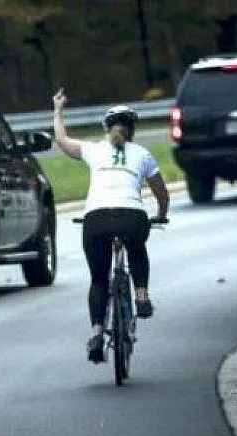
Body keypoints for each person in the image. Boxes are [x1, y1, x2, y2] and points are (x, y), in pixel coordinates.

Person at [51, 87, 170, 363]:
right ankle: (141, 296)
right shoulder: (142, 154)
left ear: (107, 128)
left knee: (98, 279)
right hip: (132, 217)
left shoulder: (93, 150)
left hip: (96, 219)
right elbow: (161, 193)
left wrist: (58, 110)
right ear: (133, 130)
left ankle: (97, 332)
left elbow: (62, 139)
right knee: (137, 249)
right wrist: (161, 214)